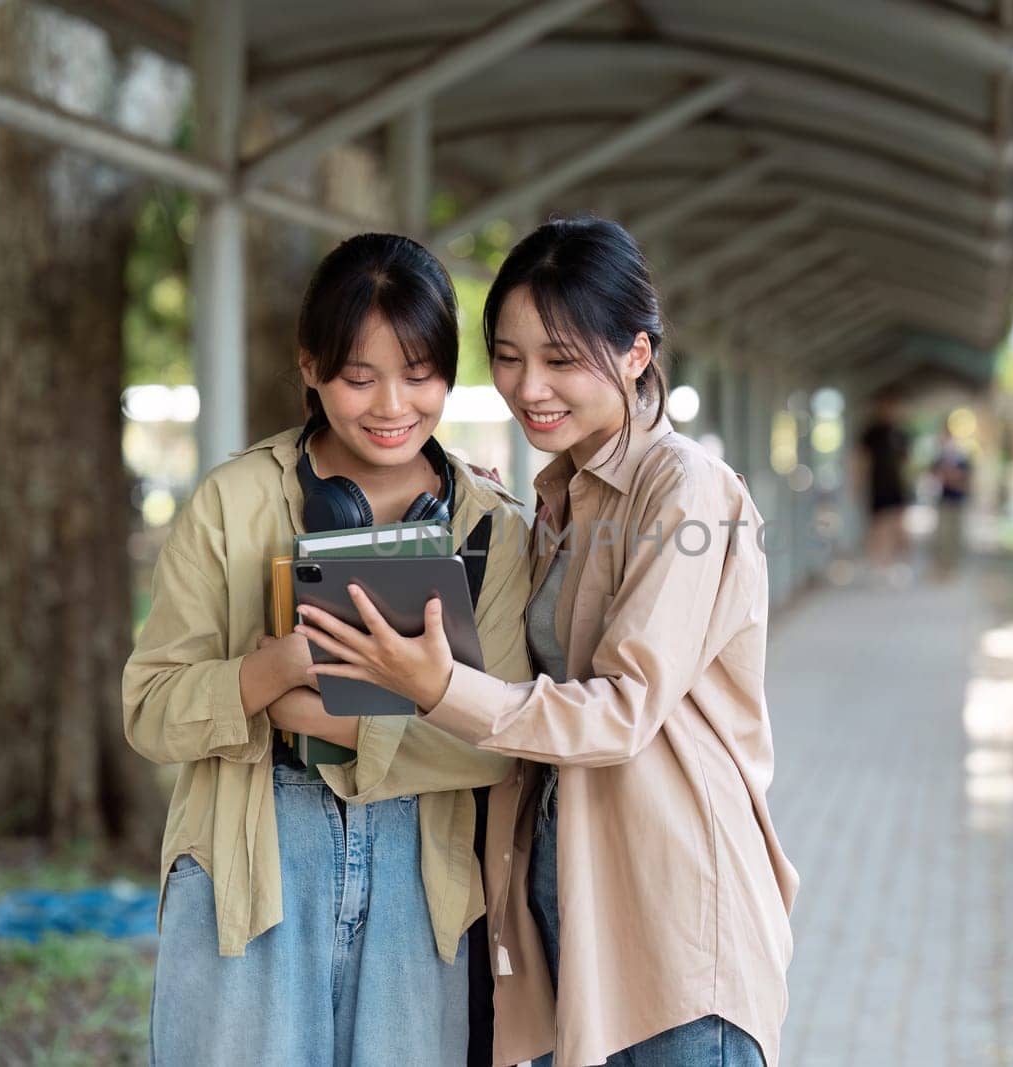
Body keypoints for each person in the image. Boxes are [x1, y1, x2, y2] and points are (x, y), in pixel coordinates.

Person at [293, 217, 798, 1066]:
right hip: (577, 900)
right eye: (510, 356)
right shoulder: (557, 498)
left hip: (676, 922)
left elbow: (620, 713)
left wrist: (437, 684)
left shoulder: (687, 491)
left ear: (637, 354)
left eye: (562, 359)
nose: (530, 387)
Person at [123, 233, 532, 1064]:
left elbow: (504, 741)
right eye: (359, 377)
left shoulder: (492, 525)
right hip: (253, 858)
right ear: (310, 368)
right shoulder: (231, 502)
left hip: (425, 871)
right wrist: (272, 668)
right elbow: (150, 711)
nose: (392, 405)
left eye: (421, 375)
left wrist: (317, 712)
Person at [857, 396, 911, 582]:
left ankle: (893, 564)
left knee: (898, 526)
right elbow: (862, 460)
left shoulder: (902, 434)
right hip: (877, 486)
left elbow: (906, 463)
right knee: (879, 527)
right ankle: (878, 565)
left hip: (897, 487)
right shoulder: (872, 432)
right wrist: (858, 484)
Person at [930, 426, 972, 581]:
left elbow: (963, 479)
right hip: (944, 501)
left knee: (955, 535)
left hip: (957, 500)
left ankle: (952, 566)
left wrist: (952, 477)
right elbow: (935, 477)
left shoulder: (962, 459)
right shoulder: (938, 459)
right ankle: (942, 566)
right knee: (942, 535)